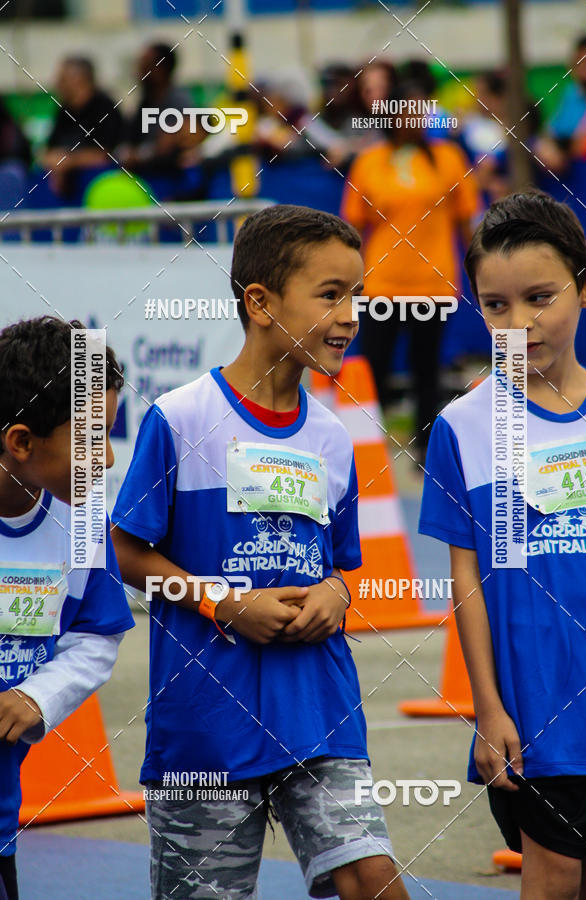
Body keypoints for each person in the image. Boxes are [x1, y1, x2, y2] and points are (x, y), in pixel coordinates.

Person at [111, 204, 410, 900]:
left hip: (318, 713)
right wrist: (226, 602)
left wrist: (337, 593)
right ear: (260, 302)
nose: (351, 315)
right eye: (331, 294)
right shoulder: (181, 417)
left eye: (357, 295)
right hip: (205, 729)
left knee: (371, 876)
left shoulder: (334, 436)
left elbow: (340, 566)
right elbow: (126, 553)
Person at [419, 190, 586, 899]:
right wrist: (488, 710)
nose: (518, 324)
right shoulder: (465, 427)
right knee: (551, 878)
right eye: (495, 306)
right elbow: (467, 581)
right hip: (539, 716)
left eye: (538, 298)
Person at [0, 316, 135, 900]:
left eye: (108, 434)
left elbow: (96, 636)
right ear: (22, 441)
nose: (105, 458)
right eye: (88, 439)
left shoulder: (83, 525)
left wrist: (38, 696)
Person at [341, 82, 479, 465]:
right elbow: (353, 227)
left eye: (422, 110)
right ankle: (367, 449)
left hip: (433, 283)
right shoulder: (369, 161)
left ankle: (424, 450)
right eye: (409, 109)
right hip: (382, 285)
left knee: (426, 370)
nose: (416, 117)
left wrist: (479, 269)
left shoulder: (449, 157)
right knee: (374, 368)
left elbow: (468, 221)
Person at [42, 57, 123, 198]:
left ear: (79, 79)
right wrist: (57, 164)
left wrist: (67, 162)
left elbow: (104, 154)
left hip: (103, 189)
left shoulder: (104, 107)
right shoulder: (64, 111)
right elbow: (48, 152)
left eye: (63, 79)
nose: (57, 84)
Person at [117, 42, 194, 177]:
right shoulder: (144, 103)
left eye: (145, 65)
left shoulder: (178, 102)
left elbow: (166, 146)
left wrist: (138, 156)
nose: (139, 72)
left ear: (161, 70)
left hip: (172, 179)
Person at [537, 35, 586, 173]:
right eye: (581, 62)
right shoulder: (570, 94)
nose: (585, 68)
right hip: (569, 169)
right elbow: (552, 131)